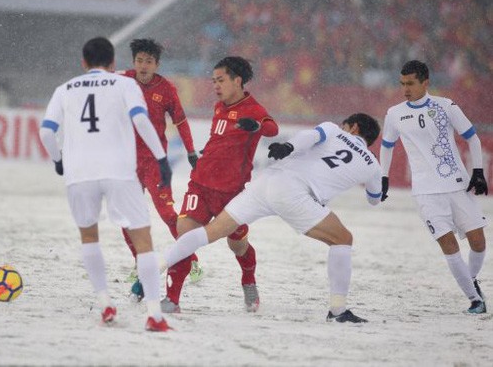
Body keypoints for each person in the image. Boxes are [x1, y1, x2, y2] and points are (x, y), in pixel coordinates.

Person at [159, 113, 383, 322]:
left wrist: (289, 146)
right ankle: (338, 310)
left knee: (212, 231)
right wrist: (382, 184)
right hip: (297, 195)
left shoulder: (333, 130)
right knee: (343, 239)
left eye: (346, 125)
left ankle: (154, 265)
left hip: (269, 182)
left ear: (353, 127)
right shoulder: (373, 165)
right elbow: (375, 198)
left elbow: (310, 136)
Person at [38, 37, 171, 331]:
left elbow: (47, 132)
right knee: (144, 240)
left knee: (89, 237)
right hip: (119, 171)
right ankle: (154, 314)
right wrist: (162, 158)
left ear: (83, 63)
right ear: (113, 64)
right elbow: (141, 120)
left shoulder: (65, 89)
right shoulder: (125, 85)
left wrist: (58, 160)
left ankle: (105, 303)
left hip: (79, 173)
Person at [161, 56, 279, 313]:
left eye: (221, 80)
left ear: (237, 81)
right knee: (185, 236)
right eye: (213, 80)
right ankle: (172, 300)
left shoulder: (254, 110)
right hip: (200, 186)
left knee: (238, 245)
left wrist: (256, 125)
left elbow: (272, 129)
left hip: (232, 195)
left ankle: (248, 280)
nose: (216, 85)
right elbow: (221, 139)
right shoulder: (218, 108)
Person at [380, 60, 488, 314]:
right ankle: (475, 299)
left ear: (425, 82)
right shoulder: (394, 113)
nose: (405, 89)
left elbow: (472, 136)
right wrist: (383, 177)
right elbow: (387, 146)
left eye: (410, 83)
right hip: (426, 192)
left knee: (479, 242)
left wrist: (479, 172)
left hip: (457, 185)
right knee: (449, 245)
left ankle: (470, 280)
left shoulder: (445, 106)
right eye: (402, 84)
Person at [120, 38, 202, 297]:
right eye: (140, 61)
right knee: (126, 217)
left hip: (155, 163)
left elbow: (181, 122)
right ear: (134, 62)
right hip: (126, 162)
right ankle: (139, 261)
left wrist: (190, 151)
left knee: (167, 213)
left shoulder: (166, 89)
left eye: (149, 62)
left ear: (157, 65)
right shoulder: (122, 82)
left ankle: (192, 260)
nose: (143, 66)